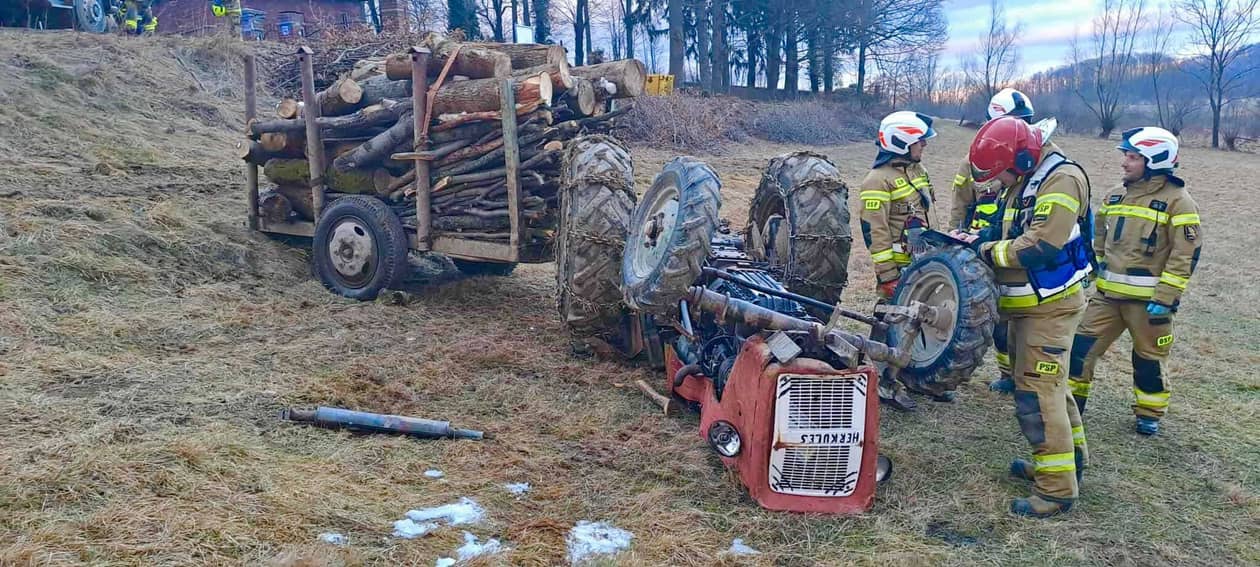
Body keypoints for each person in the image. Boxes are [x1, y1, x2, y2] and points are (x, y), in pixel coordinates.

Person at [956, 115, 1093, 518]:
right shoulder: (1028, 177)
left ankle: (1055, 490)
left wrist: (985, 250)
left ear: (1022, 157)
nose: (998, 182)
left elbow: (1040, 246)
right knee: (1053, 389)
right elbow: (1013, 229)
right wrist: (979, 237)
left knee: (1038, 393)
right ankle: (1069, 465)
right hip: (1032, 306)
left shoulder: (1062, 180)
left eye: (1001, 174)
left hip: (1050, 306)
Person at [1067, 127, 1201, 436]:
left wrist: (1166, 297)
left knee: (1148, 360)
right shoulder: (1115, 194)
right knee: (1079, 350)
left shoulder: (1179, 202)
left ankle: (1149, 413)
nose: (1124, 162)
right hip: (1106, 299)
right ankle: (1070, 408)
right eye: (1126, 156)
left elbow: (1185, 254)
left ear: (1154, 161)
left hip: (1149, 304)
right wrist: (1094, 269)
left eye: (1132, 157)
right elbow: (1098, 237)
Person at [951, 88, 1037, 395]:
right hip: (981, 247)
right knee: (998, 317)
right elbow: (960, 205)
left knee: (1023, 318)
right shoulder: (973, 163)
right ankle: (1006, 373)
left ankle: (1024, 374)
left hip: (1017, 248)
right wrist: (957, 239)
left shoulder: (1034, 164)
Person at [859, 110, 938, 411]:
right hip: (898, 268)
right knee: (889, 320)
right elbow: (875, 233)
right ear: (901, 142)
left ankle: (914, 378)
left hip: (921, 264)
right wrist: (888, 275)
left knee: (920, 321)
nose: (924, 145)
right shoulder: (877, 181)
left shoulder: (917, 171)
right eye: (920, 141)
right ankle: (882, 381)